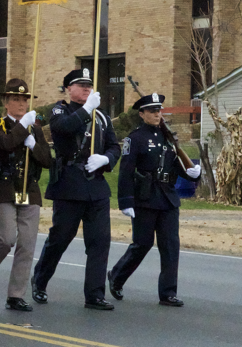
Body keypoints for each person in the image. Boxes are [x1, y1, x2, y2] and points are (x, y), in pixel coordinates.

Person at [31, 68, 120, 310]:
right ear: (69, 88)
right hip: (70, 184)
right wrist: (86, 109)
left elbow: (114, 145)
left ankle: (94, 294)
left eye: (88, 85)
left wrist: (106, 159)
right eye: (80, 85)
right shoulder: (61, 110)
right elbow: (63, 128)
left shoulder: (101, 116)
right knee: (60, 238)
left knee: (99, 242)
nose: (86, 88)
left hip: (96, 186)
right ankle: (39, 280)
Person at [108, 93, 201, 307]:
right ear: (142, 114)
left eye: (159, 110)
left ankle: (168, 293)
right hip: (145, 198)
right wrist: (126, 201)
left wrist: (191, 174)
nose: (157, 114)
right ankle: (116, 276)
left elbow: (175, 164)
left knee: (170, 245)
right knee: (142, 244)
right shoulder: (136, 138)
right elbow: (126, 171)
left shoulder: (167, 137)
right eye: (152, 111)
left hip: (167, 197)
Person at [0, 79, 52, 312]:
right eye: (15, 99)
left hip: (29, 191)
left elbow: (47, 161)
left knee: (27, 243)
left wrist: (34, 144)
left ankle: (16, 295)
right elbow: (6, 144)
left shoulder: (35, 126)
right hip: (4, 188)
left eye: (24, 99)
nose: (21, 104)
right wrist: (25, 128)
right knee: (6, 239)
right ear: (5, 102)